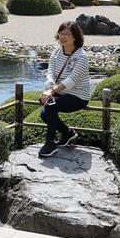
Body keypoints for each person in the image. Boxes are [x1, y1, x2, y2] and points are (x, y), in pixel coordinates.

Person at [38, 21, 91, 158]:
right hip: (60, 93)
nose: (62, 37)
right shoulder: (57, 52)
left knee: (49, 106)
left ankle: (50, 143)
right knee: (44, 114)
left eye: (67, 34)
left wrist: (51, 92)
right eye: (61, 33)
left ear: (75, 37)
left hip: (78, 96)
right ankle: (68, 133)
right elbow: (50, 71)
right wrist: (49, 85)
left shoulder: (82, 57)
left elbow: (71, 80)